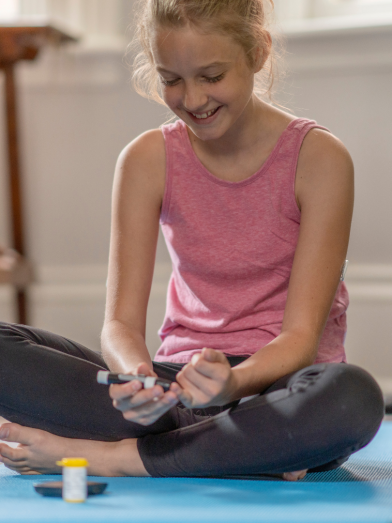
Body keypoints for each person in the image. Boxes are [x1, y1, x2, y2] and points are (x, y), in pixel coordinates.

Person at [0, 0, 384, 480]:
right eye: (172, 80)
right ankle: (236, 452)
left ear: (259, 52)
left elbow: (301, 340)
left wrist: (232, 386)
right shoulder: (146, 159)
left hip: (277, 390)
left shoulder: (320, 158)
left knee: (353, 397)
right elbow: (119, 324)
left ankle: (114, 457)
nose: (193, 99)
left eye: (211, 76)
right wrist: (136, 377)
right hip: (174, 386)